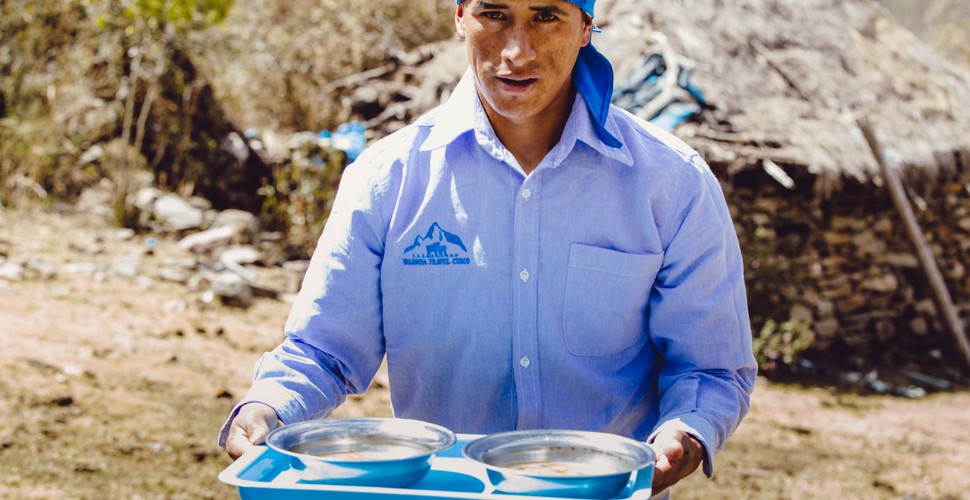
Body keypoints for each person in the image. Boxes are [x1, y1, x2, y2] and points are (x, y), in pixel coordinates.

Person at [220, 0, 757, 495]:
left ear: (588, 28)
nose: (516, 50)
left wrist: (684, 434)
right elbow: (323, 350)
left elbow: (710, 367)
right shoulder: (387, 179)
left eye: (546, 16)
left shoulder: (672, 183)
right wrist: (269, 405)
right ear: (460, 15)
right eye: (494, 14)